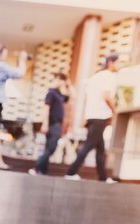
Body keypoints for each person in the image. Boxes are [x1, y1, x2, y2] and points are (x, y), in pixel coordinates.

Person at [65, 53, 119, 183]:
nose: (119, 66)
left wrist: (85, 117)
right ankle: (71, 172)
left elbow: (87, 99)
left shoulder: (94, 78)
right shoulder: (109, 77)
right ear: (111, 63)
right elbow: (106, 96)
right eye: (118, 62)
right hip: (100, 116)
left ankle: (103, 177)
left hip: (91, 116)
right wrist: (114, 111)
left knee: (100, 149)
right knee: (88, 146)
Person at [29, 72, 73, 175]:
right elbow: (46, 108)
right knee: (52, 147)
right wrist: (45, 123)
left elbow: (72, 96)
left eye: (60, 80)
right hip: (52, 123)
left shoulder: (60, 94)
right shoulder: (51, 93)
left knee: (49, 147)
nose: (58, 82)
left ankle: (43, 170)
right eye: (56, 79)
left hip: (58, 123)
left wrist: (68, 84)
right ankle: (37, 168)